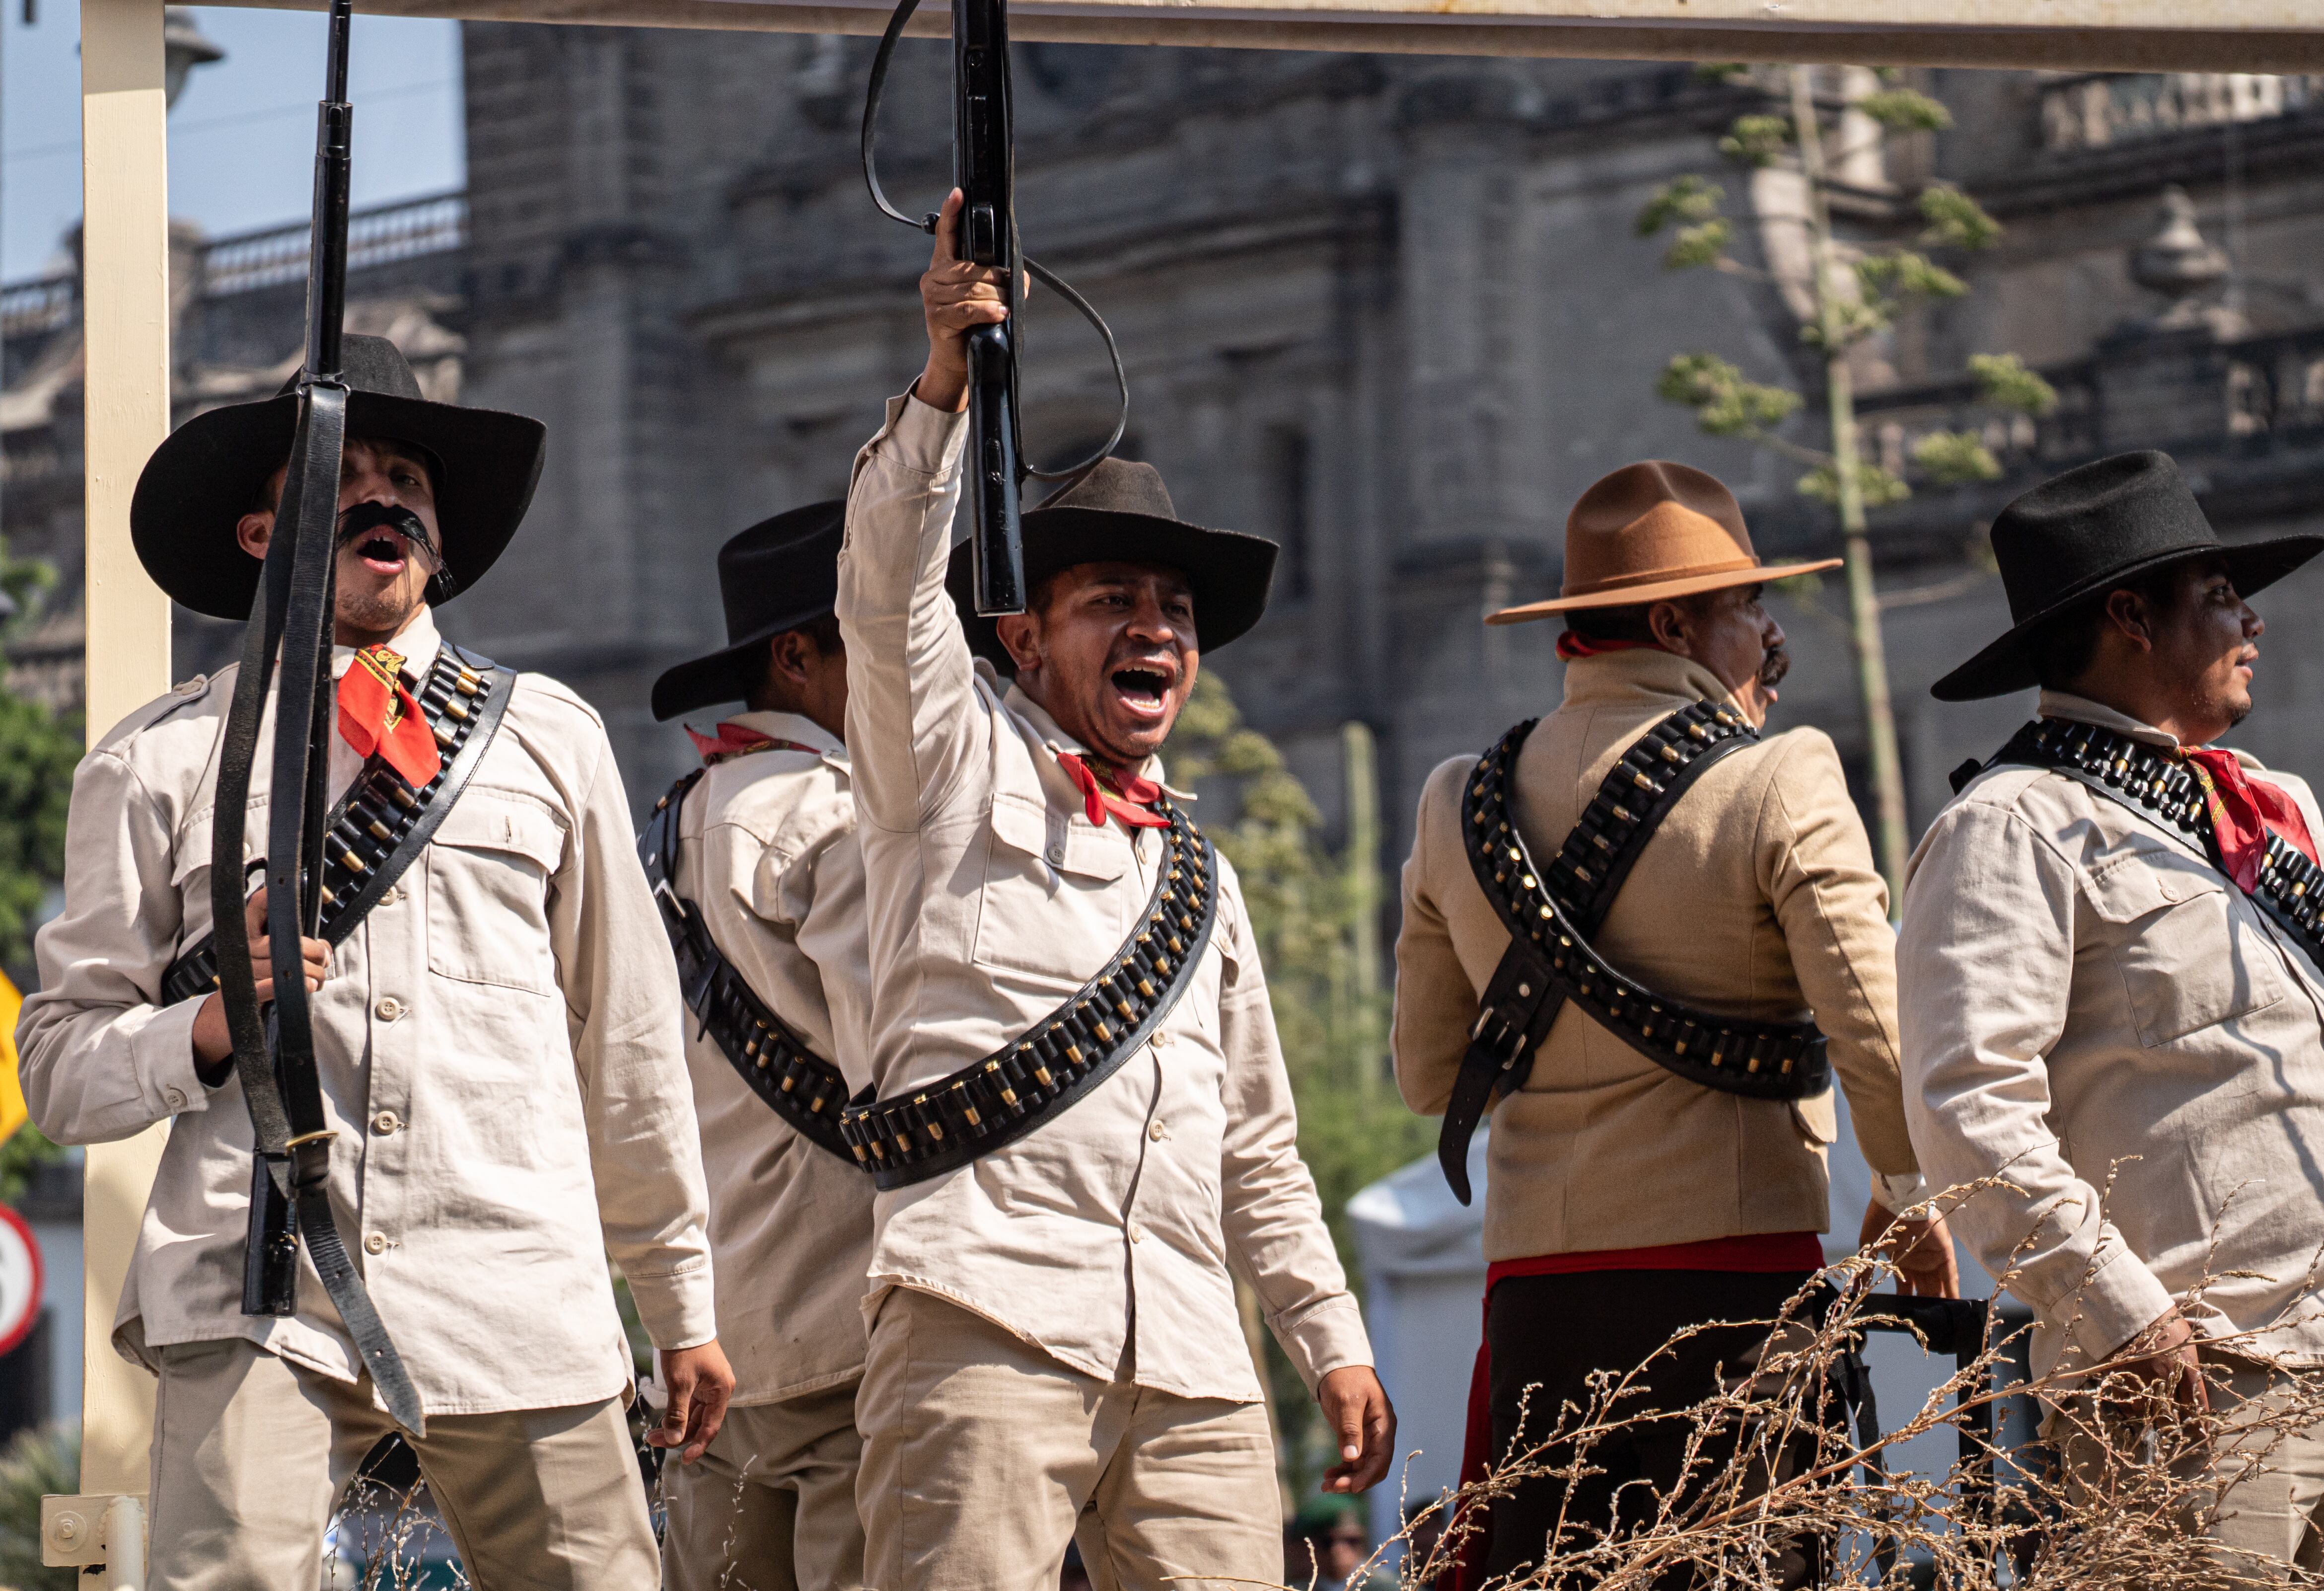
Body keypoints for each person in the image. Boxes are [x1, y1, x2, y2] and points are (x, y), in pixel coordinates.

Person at [15, 334, 730, 1590]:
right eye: (338, 477)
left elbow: (627, 1041)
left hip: (513, 1276)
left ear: (438, 541)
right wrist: (208, 1026)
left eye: (405, 479)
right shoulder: (157, 760)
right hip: (256, 1278)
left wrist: (679, 1306)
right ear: (261, 536)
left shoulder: (549, 738)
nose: (380, 497)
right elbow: (61, 1068)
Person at [832, 190, 1394, 1591]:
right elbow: (887, 595)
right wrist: (943, 387)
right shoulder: (944, 760)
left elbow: (1257, 1145)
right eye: (1111, 602)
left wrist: (1327, 1336)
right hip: (983, 1309)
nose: (1155, 629)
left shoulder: (1198, 873)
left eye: (1175, 612)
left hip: (1193, 1354)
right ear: (1023, 640)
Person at [1391, 460, 1957, 1587]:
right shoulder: (1781, 778)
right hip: (1731, 1291)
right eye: (1748, 607)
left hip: (1539, 1301)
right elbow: (1876, 1034)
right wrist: (1906, 1192)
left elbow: (1426, 1076)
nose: (1770, 634)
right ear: (1674, 626)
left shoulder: (1459, 799)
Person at [1902, 450, 2324, 1581]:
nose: (2250, 621)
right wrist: (2118, 1312)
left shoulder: (2261, 807)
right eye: (2218, 595)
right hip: (2192, 1380)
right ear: (2129, 617)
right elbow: (1969, 1107)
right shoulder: (2011, 826)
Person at [646, 502, 875, 1591]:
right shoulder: (839, 820)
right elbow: (905, 1067)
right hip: (849, 1327)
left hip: (707, 1333)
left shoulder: (669, 821)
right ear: (797, 658)